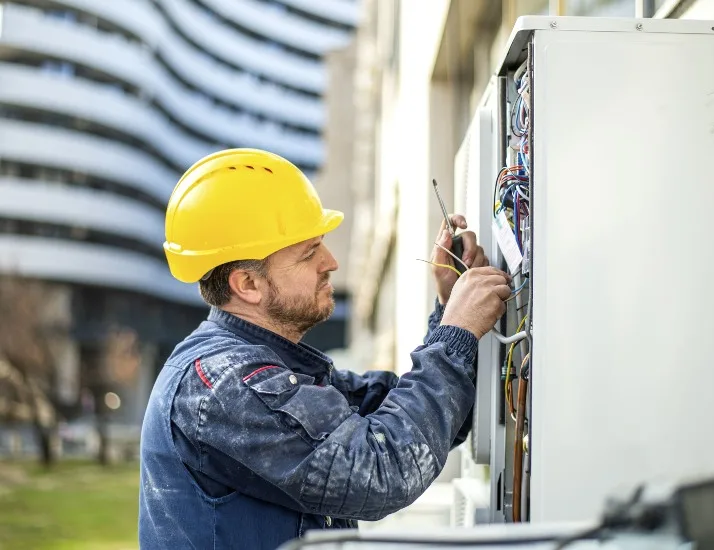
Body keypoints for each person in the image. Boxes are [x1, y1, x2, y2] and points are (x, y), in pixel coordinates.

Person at [138, 149, 511, 549]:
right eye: (309, 252)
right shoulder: (223, 383)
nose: (330, 262)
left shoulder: (270, 366)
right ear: (247, 284)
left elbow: (425, 422)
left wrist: (449, 308)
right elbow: (387, 468)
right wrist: (455, 333)